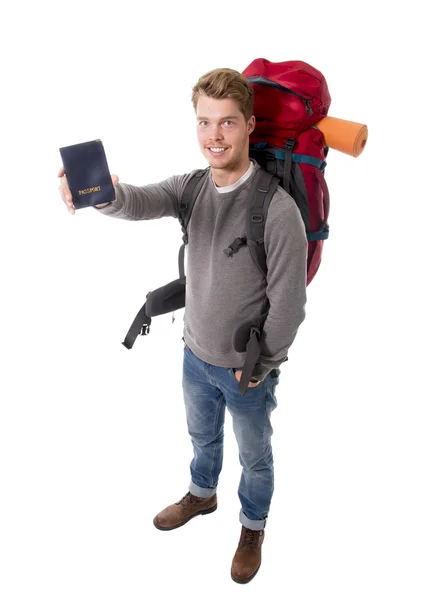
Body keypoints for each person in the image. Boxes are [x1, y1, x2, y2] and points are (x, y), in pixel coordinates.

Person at [58, 67, 308, 584]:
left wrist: (263, 365)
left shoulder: (277, 210)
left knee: (255, 455)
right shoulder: (191, 188)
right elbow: (137, 201)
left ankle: (252, 525)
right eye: (204, 122)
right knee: (201, 437)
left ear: (250, 126)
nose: (213, 137)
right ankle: (202, 493)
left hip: (247, 370)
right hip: (195, 354)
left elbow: (289, 304)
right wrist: (97, 193)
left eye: (227, 124)